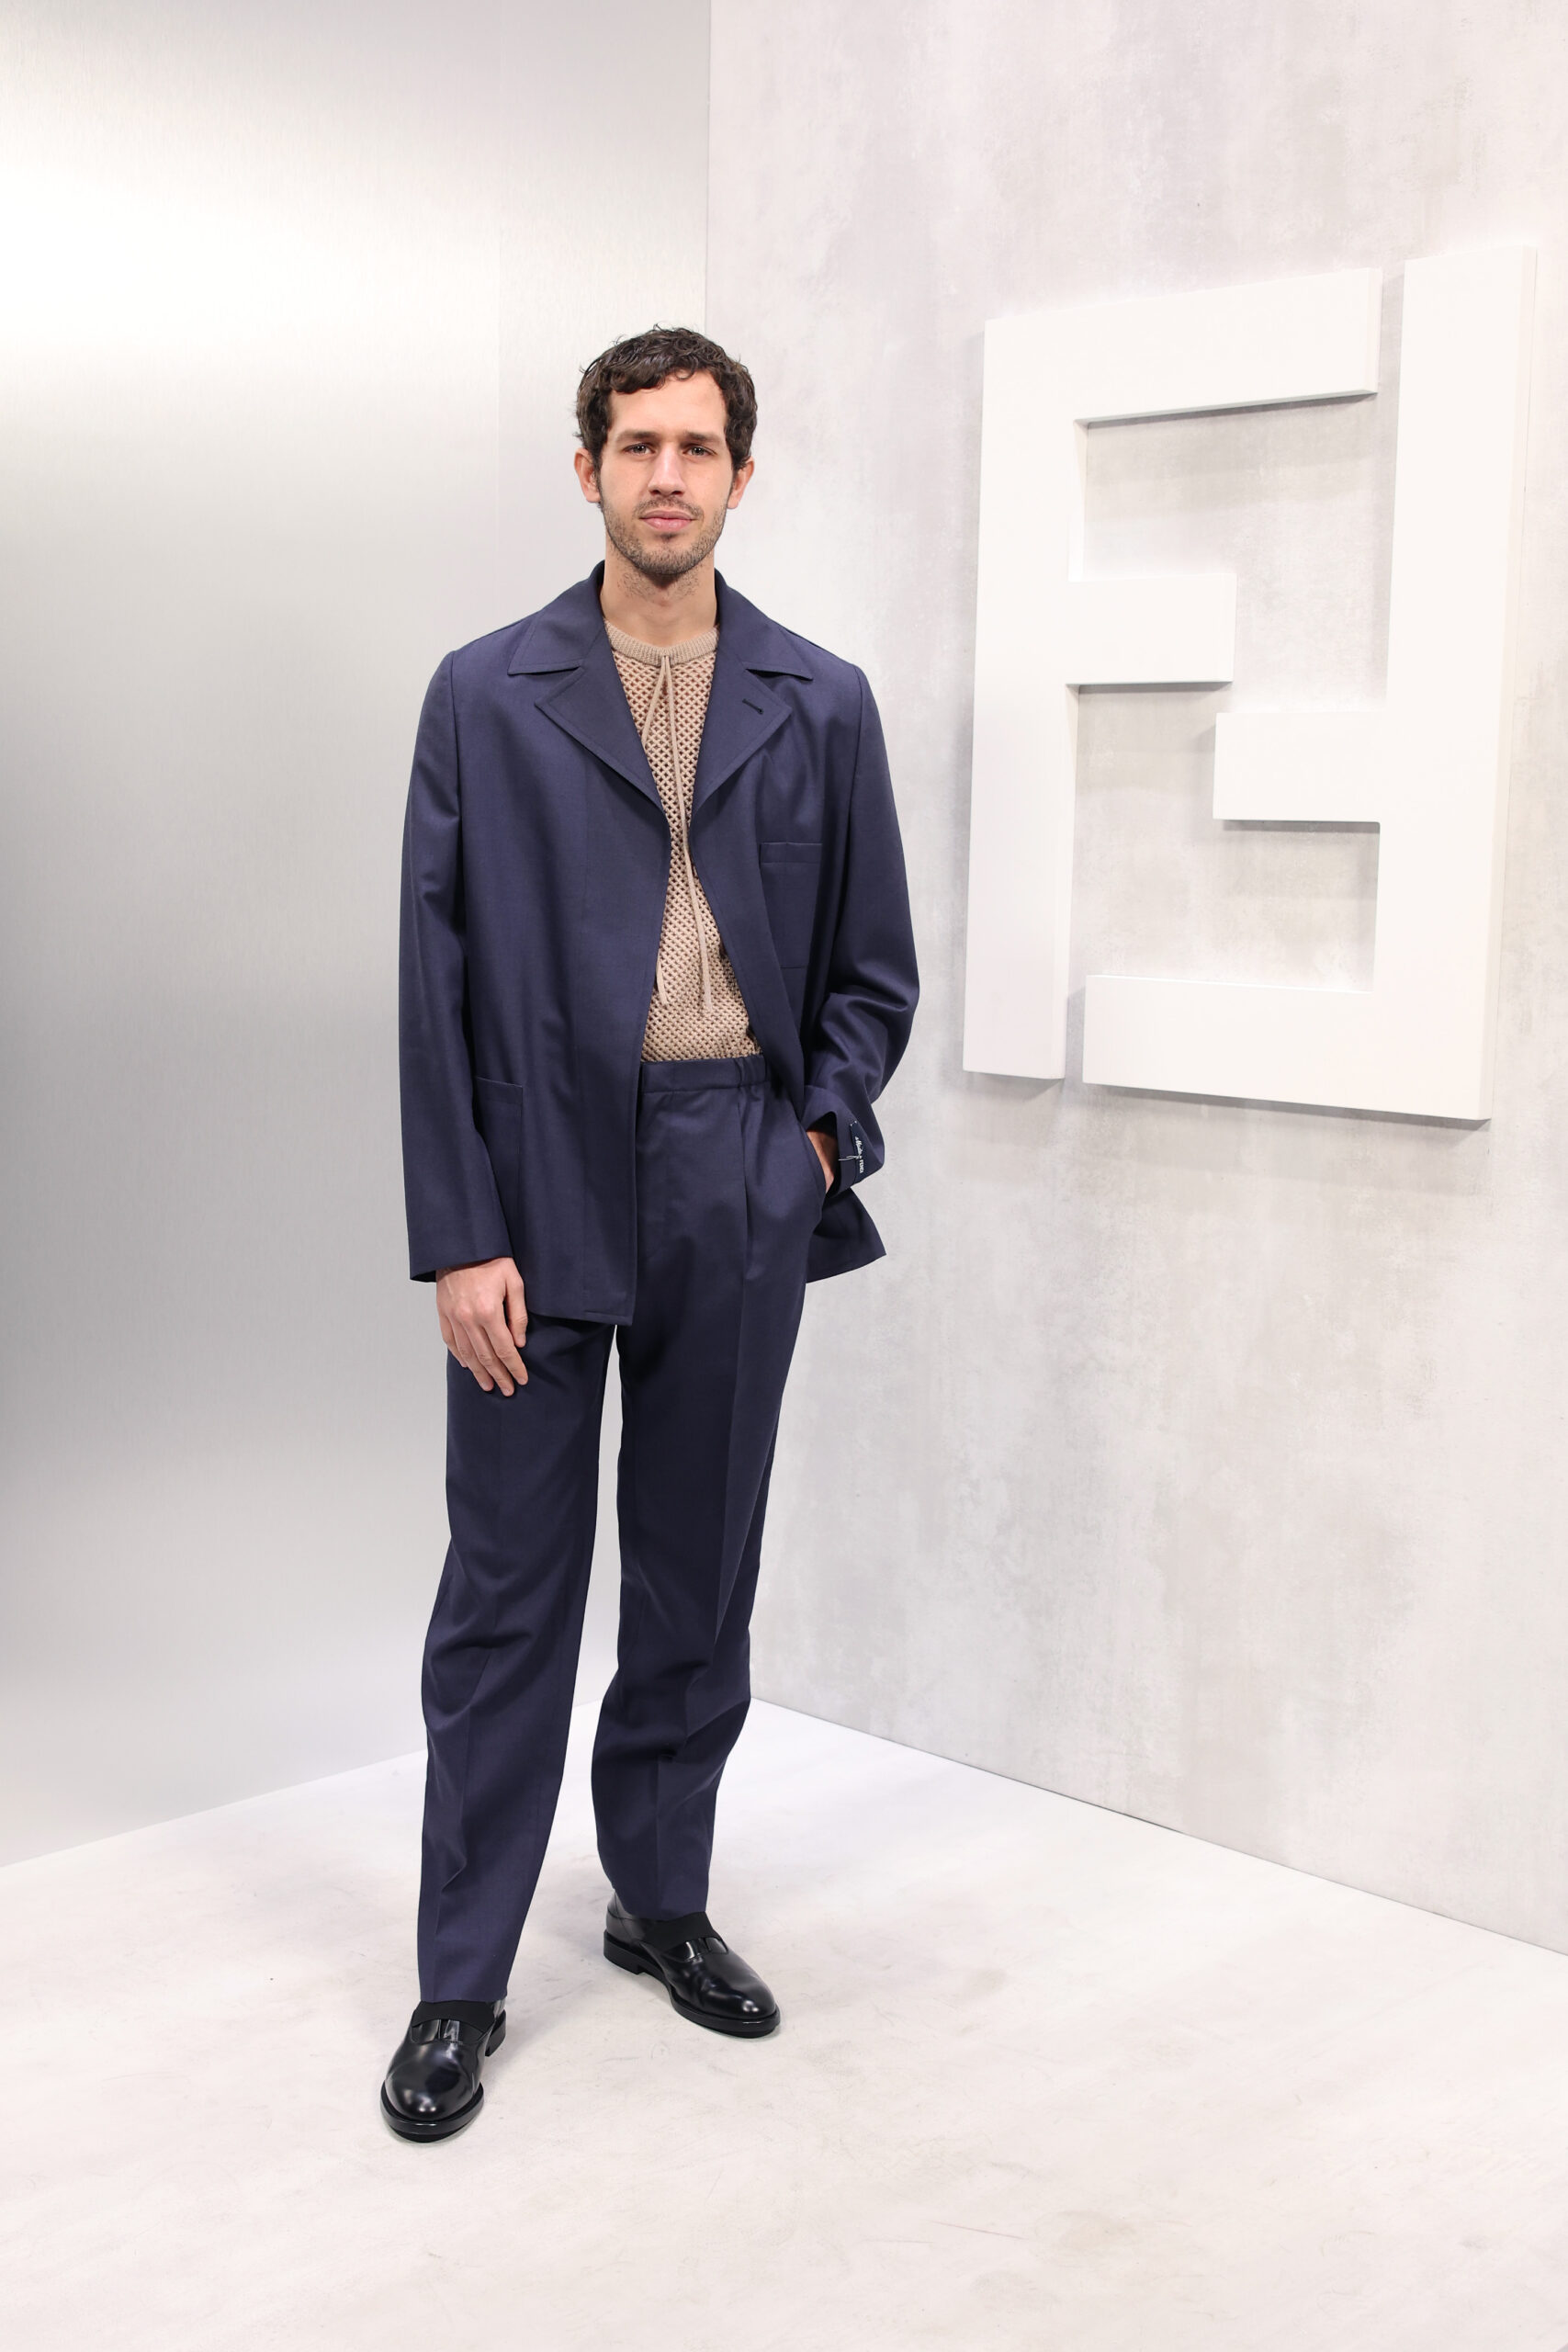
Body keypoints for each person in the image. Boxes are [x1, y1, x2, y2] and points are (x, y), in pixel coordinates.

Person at [379, 326, 919, 2142]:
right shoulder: (485, 691)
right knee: (506, 1590)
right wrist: (460, 1232)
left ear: (740, 476)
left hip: (735, 1166)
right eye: (637, 444)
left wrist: (810, 1138)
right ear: (589, 470)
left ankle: (658, 1897)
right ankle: (460, 1978)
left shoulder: (820, 699)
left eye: (698, 447)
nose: (667, 475)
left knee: (697, 1574)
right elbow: (432, 979)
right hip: (534, 1180)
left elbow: (872, 965)